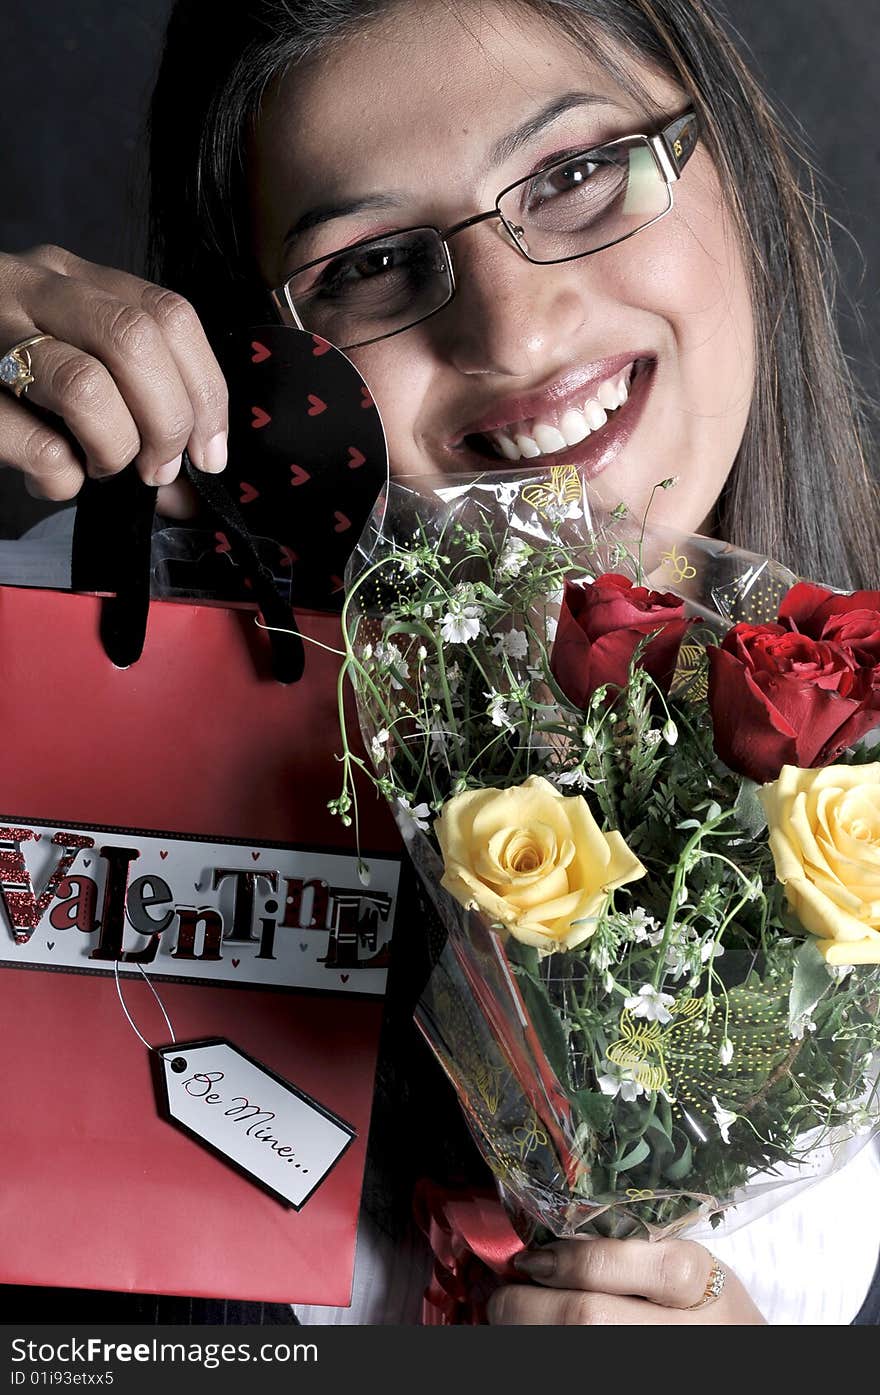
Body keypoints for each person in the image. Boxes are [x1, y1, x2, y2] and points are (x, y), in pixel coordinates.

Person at [0, 0, 878, 1325]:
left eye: (580, 173)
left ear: (736, 164)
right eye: (367, 266)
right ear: (259, 358)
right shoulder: (50, 701)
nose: (515, 336)